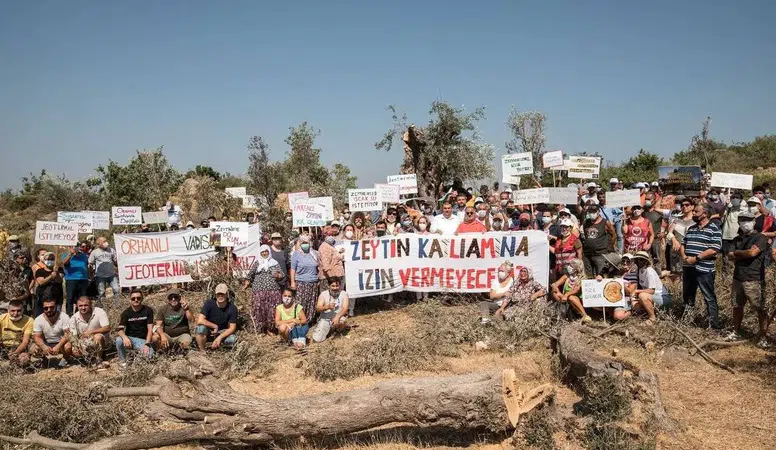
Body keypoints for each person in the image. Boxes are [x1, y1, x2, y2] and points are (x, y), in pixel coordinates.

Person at [727, 212, 769, 346]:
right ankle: (736, 331)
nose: (745, 222)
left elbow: (753, 253)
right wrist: (743, 254)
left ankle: (763, 336)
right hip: (738, 278)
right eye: (742, 220)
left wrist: (738, 253)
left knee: (759, 307)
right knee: (737, 306)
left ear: (754, 221)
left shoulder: (760, 237)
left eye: (748, 220)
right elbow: (729, 255)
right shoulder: (737, 239)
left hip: (754, 278)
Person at [680, 203, 722, 330]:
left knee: (708, 297)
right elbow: (683, 243)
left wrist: (697, 258)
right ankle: (687, 322)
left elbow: (715, 249)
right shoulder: (691, 228)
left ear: (705, 214)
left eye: (696, 212)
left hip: (705, 269)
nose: (693, 214)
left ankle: (713, 326)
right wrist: (684, 257)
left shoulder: (714, 228)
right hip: (689, 268)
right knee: (688, 296)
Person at [614, 252, 670, 323]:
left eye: (641, 260)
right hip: (652, 297)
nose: (639, 262)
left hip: (662, 297)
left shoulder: (649, 272)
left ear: (646, 261)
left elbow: (652, 291)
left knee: (642, 296)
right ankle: (646, 314)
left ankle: (652, 318)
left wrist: (636, 291)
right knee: (635, 305)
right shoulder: (639, 270)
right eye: (637, 260)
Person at [245, 245, 283, 333]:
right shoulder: (257, 262)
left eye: (266, 251)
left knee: (272, 310)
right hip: (259, 290)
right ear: (260, 253)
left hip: (273, 290)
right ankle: (259, 329)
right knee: (258, 309)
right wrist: (247, 283)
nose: (264, 253)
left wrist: (278, 275)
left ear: (269, 252)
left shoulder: (274, 262)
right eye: (262, 252)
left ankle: (271, 329)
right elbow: (250, 274)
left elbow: (281, 275)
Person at [115, 289, 154, 369]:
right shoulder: (126, 313)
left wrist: (147, 344)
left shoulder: (148, 310)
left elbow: (150, 329)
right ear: (130, 300)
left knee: (150, 356)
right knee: (119, 340)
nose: (136, 300)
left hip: (143, 340)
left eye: (138, 298)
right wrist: (125, 338)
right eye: (133, 298)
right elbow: (119, 329)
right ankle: (123, 362)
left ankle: (136, 356)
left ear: (142, 299)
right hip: (130, 340)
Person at [195, 283, 238, 351]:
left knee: (233, 339)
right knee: (200, 329)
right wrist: (214, 326)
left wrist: (220, 337)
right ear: (215, 294)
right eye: (218, 294)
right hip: (209, 331)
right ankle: (202, 351)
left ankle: (219, 347)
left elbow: (232, 328)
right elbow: (200, 320)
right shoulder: (209, 303)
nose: (220, 296)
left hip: (222, 332)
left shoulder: (232, 308)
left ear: (227, 294)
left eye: (222, 294)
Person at [68, 296, 110, 365]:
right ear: (76, 306)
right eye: (80, 306)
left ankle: (99, 359)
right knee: (75, 350)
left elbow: (107, 328)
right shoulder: (74, 318)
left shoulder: (99, 312)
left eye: (86, 305)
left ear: (90, 304)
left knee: (97, 337)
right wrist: (75, 346)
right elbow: (73, 335)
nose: (83, 308)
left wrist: (91, 332)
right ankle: (88, 358)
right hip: (85, 341)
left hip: (102, 340)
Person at [32, 298, 72, 367]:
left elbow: (67, 334)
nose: (49, 310)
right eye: (46, 308)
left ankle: (65, 359)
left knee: (68, 346)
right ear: (43, 308)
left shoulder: (64, 317)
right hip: (46, 343)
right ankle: (44, 360)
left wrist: (58, 346)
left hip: (61, 343)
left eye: (52, 307)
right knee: (34, 348)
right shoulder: (38, 319)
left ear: (56, 306)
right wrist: (44, 346)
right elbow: (36, 337)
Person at [289, 235, 320, 321]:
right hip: (301, 282)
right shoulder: (296, 254)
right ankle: (299, 320)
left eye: (307, 242)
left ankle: (309, 321)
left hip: (313, 282)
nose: (305, 244)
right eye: (303, 243)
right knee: (300, 302)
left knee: (311, 302)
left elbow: (318, 267)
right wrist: (292, 282)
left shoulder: (314, 254)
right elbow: (293, 269)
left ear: (310, 243)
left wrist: (318, 279)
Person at [581, 204, 616, 277]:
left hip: (600, 254)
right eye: (590, 212)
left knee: (600, 276)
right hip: (587, 254)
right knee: (588, 277)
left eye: (593, 211)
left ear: (598, 212)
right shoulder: (586, 222)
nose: (591, 213)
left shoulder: (605, 222)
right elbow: (586, 235)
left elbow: (614, 235)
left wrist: (610, 247)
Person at [312, 278, 349, 343]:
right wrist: (327, 307)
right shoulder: (323, 294)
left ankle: (337, 331)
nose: (335, 288)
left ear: (340, 286)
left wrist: (337, 317)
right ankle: (329, 330)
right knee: (317, 339)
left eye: (337, 286)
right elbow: (318, 308)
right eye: (333, 286)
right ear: (329, 286)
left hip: (339, 317)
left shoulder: (344, 294)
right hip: (325, 318)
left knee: (341, 323)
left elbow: (345, 308)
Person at [0, 300, 33, 366]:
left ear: (23, 310)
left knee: (24, 359)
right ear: (8, 310)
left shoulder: (30, 321)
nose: (15, 313)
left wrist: (15, 353)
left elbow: (25, 342)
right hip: (3, 347)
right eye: (13, 311)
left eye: (19, 310)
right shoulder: (1, 318)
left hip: (19, 347)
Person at [61, 242, 90, 315]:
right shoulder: (65, 255)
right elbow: (64, 263)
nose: (76, 247)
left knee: (82, 299)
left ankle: (79, 314)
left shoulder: (84, 256)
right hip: (71, 279)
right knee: (70, 298)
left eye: (77, 245)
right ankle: (69, 315)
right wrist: (70, 254)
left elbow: (87, 266)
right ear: (70, 246)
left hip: (83, 280)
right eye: (74, 245)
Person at [89, 237, 119, 305]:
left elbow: (115, 261)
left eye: (106, 240)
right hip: (100, 276)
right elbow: (90, 263)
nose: (106, 242)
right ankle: (103, 306)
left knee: (116, 290)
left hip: (111, 275)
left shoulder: (111, 250)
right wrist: (91, 274)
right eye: (104, 241)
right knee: (101, 292)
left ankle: (117, 305)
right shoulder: (94, 252)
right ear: (99, 244)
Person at [34, 252, 63, 317]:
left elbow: (60, 280)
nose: (50, 261)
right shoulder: (39, 271)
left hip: (57, 299)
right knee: (40, 316)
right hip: (42, 299)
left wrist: (56, 272)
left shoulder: (59, 269)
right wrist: (50, 276)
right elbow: (41, 282)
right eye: (48, 259)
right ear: (44, 260)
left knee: (56, 317)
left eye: (52, 259)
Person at [721, 192, 744, 273]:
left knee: (736, 257)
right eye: (733, 198)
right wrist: (726, 205)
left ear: (741, 200)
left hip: (737, 237)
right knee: (725, 257)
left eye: (737, 197)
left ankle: (735, 274)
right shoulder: (728, 209)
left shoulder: (744, 210)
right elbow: (721, 215)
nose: (734, 199)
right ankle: (726, 275)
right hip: (726, 237)